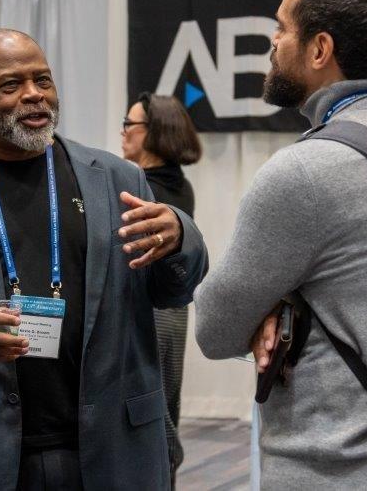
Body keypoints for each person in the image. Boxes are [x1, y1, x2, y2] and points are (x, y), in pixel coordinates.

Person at [0, 28, 208, 491]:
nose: (34, 95)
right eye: (12, 85)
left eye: (43, 80)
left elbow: (174, 290)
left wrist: (180, 237)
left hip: (112, 447)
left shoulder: (117, 178)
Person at [194, 0, 367, 489]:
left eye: (282, 28)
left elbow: (215, 329)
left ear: (319, 50)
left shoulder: (306, 171)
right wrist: (294, 296)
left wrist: (279, 300)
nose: (272, 43)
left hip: (338, 471)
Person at [121, 91, 201, 488]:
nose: (123, 133)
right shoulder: (177, 184)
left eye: (129, 125)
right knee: (165, 402)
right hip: (171, 310)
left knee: (152, 410)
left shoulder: (144, 190)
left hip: (151, 309)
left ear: (153, 133)